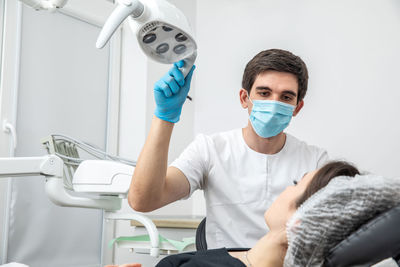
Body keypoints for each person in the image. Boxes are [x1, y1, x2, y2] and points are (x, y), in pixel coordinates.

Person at [129, 49, 329, 249]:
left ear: (297, 107)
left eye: (286, 97)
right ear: (244, 98)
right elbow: (143, 200)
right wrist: (164, 117)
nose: (273, 103)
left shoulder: (315, 162)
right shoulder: (210, 149)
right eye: (264, 93)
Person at [107, 160, 360, 267]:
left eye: (296, 183)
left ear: (303, 220)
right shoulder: (236, 255)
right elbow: (143, 197)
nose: (285, 187)